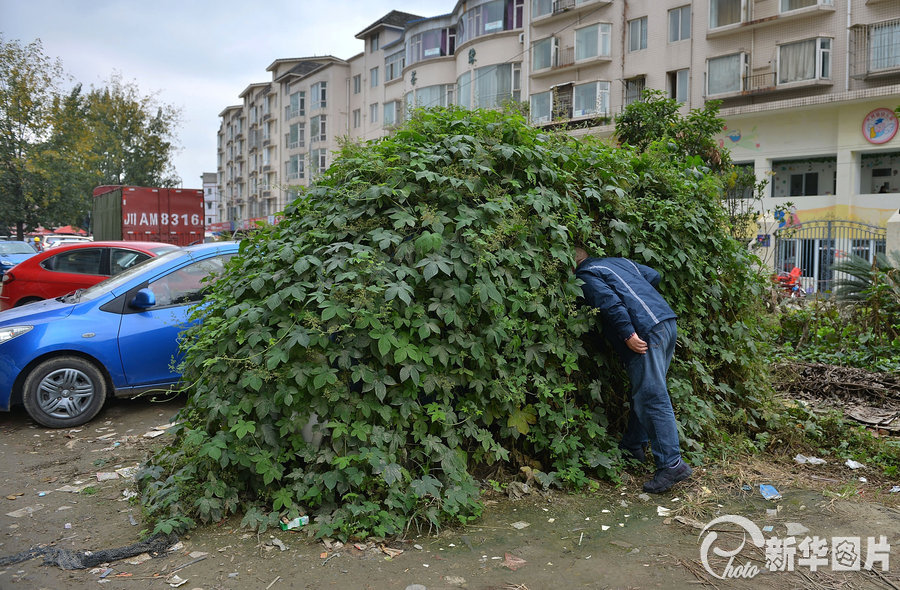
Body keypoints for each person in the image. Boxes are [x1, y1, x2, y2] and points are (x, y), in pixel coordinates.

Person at [573, 246, 691, 493]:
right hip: (666, 324)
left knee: (651, 395)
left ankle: (672, 464)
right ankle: (633, 446)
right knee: (646, 389)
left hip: (645, 331)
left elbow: (608, 302)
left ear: (574, 263)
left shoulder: (585, 274)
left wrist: (627, 332)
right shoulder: (619, 263)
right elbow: (654, 276)